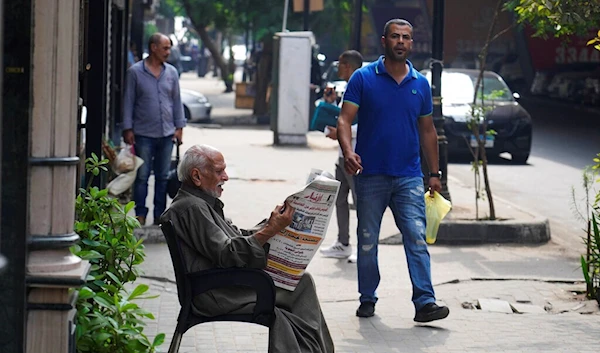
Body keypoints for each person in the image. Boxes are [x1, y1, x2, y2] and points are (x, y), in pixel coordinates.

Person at [160, 144, 335, 353]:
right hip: (216, 293)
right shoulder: (190, 207)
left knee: (298, 282)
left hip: (224, 284)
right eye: (218, 171)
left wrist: (272, 225)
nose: (225, 177)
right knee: (300, 283)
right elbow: (227, 254)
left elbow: (237, 236)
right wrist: (270, 230)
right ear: (196, 176)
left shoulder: (201, 203)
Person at [337, 19, 450, 322]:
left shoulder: (420, 84)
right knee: (368, 239)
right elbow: (345, 120)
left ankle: (425, 302)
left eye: (407, 38)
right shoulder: (363, 78)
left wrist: (435, 174)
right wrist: (349, 152)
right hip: (370, 175)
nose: (401, 42)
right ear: (385, 40)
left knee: (415, 237)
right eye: (396, 37)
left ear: (412, 44)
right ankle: (367, 298)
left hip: (409, 177)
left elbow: (427, 131)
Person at [123, 32, 186, 226]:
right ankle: (140, 214)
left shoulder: (172, 73)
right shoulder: (135, 72)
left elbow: (176, 101)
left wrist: (179, 126)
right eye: (165, 48)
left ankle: (160, 215)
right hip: (143, 133)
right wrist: (128, 128)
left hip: (167, 134)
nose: (168, 52)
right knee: (141, 177)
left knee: (162, 177)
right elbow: (128, 101)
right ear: (153, 47)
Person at [319, 50, 363, 262]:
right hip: (342, 155)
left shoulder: (365, 86)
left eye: (340, 65)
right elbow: (345, 117)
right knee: (340, 199)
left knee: (360, 203)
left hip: (356, 155)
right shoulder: (347, 88)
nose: (337, 69)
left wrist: (343, 133)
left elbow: (368, 124)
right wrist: (331, 104)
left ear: (346, 65)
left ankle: (364, 247)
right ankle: (343, 243)